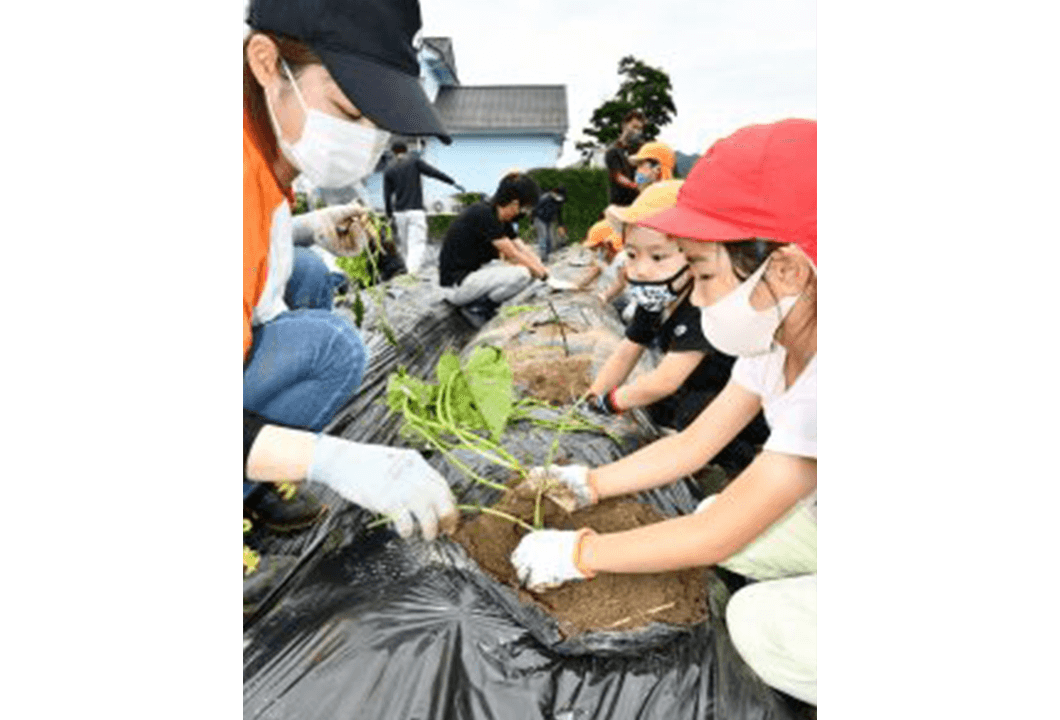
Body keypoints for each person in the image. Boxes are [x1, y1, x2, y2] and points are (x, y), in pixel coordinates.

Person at [511, 119, 817, 707]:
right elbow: (693, 444)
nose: (698, 297)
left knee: (758, 622)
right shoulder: (778, 338)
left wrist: (580, 553)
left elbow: (710, 538)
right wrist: (589, 482)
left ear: (785, 270)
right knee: (719, 508)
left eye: (702, 274)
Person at [243, 0, 459, 617]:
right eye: (346, 110)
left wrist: (307, 227)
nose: (364, 141)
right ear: (266, 61)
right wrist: (328, 457)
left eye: (377, 123)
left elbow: (268, 246)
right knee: (331, 348)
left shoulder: (266, 150)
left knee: (308, 277)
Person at [585, 181, 769, 476]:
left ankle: (742, 470)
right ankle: (697, 453)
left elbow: (665, 381)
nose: (642, 269)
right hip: (703, 385)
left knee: (692, 412)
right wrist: (592, 398)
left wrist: (611, 401)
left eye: (658, 257)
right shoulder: (658, 296)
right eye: (632, 255)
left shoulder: (705, 305)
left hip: (751, 404)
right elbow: (627, 351)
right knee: (654, 407)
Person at [439, 173, 549, 328]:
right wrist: (544, 277)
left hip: (473, 275)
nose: (524, 213)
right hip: (456, 285)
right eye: (525, 208)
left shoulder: (499, 217)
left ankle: (484, 305)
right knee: (522, 274)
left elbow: (521, 247)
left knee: (526, 270)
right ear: (515, 204)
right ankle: (478, 309)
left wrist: (542, 268)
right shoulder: (483, 215)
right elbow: (514, 254)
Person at [384, 141, 465, 273]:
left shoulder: (389, 169)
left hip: (399, 214)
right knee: (416, 245)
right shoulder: (414, 161)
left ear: (393, 152)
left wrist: (389, 215)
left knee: (405, 247)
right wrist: (452, 182)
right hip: (415, 211)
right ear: (406, 149)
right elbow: (434, 173)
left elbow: (387, 195)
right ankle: (411, 274)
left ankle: (406, 272)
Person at [605, 110, 647, 207]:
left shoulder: (641, 149)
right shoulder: (613, 151)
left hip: (640, 204)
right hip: (620, 205)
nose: (637, 132)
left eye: (640, 129)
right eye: (634, 127)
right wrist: (636, 186)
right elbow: (618, 176)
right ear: (624, 126)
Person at [531, 186, 568, 263]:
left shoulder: (558, 201)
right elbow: (535, 209)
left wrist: (560, 225)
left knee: (550, 238)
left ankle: (549, 254)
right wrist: (532, 222)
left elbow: (559, 213)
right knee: (543, 237)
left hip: (549, 220)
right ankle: (543, 258)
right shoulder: (545, 198)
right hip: (540, 219)